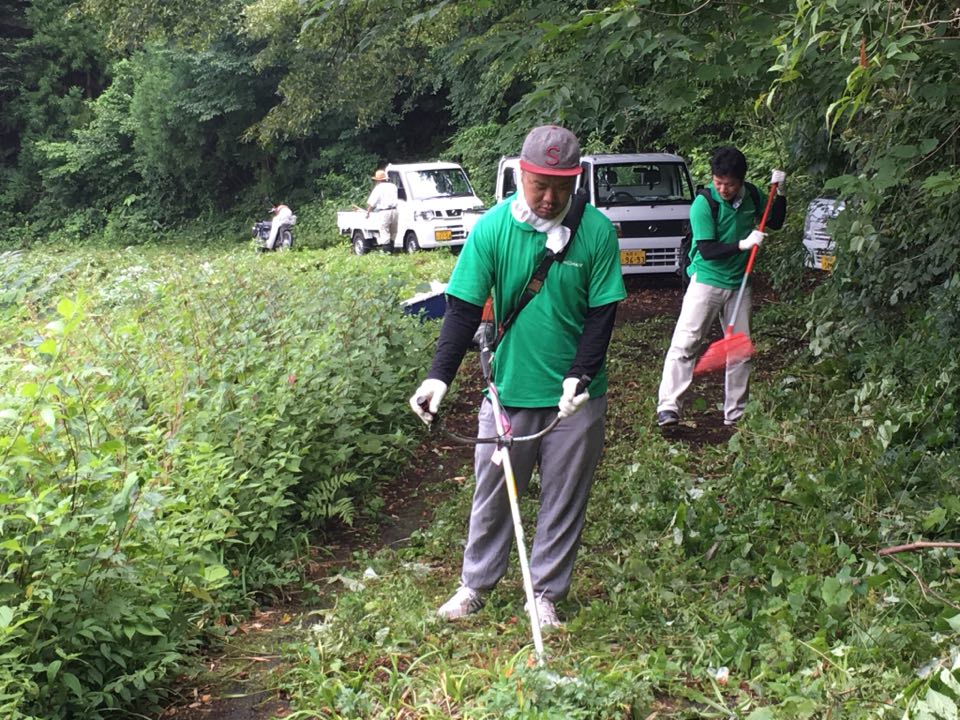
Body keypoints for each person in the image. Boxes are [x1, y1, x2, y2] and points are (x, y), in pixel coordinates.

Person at [408, 125, 627, 628]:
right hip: (506, 389)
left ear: (577, 181)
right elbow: (462, 307)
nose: (550, 199)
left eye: (562, 187)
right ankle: (475, 585)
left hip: (576, 398)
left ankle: (545, 594)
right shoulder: (491, 229)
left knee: (564, 495)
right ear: (521, 176)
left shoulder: (596, 233)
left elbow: (602, 316)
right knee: (492, 489)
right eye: (539, 186)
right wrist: (439, 377)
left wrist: (581, 376)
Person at [656, 146, 787, 427]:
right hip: (707, 281)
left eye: (729, 184)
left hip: (740, 283)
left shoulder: (751, 195)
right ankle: (668, 407)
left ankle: (735, 414)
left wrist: (781, 193)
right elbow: (707, 249)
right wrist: (743, 244)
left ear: (740, 181)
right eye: (718, 182)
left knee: (739, 350)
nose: (723, 188)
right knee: (686, 343)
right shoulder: (704, 203)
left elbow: (775, 221)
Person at [366, 169, 399, 249]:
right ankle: (392, 249)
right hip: (395, 211)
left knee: (384, 232)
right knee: (393, 232)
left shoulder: (378, 188)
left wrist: (368, 212)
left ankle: (387, 253)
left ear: (378, 180)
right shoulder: (393, 186)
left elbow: (372, 202)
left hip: (384, 212)